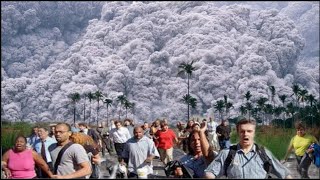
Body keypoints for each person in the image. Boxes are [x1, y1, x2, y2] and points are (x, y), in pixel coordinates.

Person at [204, 119, 293, 179]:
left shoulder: (264, 153)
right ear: (238, 133)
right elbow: (209, 173)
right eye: (242, 131)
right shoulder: (226, 154)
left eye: (249, 131)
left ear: (254, 133)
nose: (245, 134)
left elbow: (285, 174)